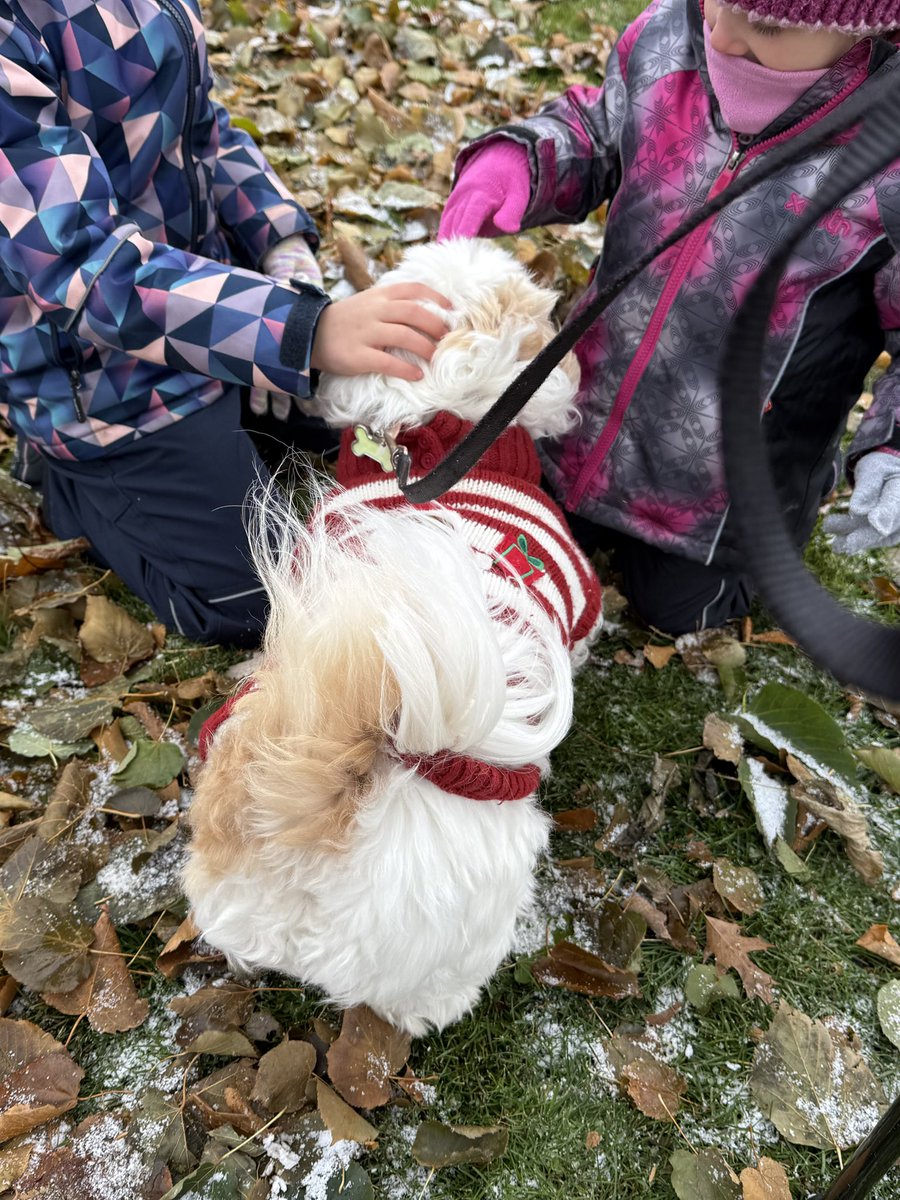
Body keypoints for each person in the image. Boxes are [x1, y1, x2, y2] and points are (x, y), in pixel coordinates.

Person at [439, 0, 900, 634]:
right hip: (583, 415)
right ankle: (581, 494)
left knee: (677, 611)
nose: (723, 35)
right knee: (514, 528)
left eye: (765, 26)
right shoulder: (668, 38)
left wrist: (891, 447)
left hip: (721, 496)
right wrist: (525, 161)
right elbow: (599, 130)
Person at [0, 0, 450, 647]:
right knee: (270, 599)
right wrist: (303, 331)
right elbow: (78, 266)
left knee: (397, 420)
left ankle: (238, 418)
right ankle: (71, 481)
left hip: (216, 315)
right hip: (98, 383)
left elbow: (203, 132)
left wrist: (281, 248)